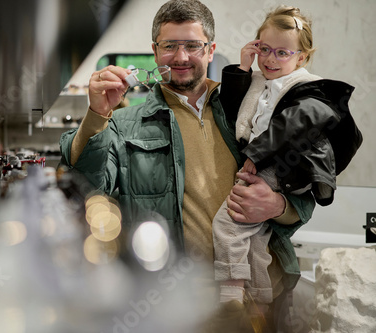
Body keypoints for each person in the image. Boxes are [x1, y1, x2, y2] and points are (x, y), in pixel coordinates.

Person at [60, 0, 316, 331]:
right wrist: (97, 116)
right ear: (155, 52)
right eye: (170, 46)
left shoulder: (247, 111)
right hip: (173, 309)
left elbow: (306, 184)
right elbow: (87, 190)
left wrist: (279, 205)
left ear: (210, 50)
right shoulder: (123, 124)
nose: (181, 57)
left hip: (261, 302)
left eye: (192, 46)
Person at [212, 4, 362, 327]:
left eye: (282, 52)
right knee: (253, 237)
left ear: (302, 57)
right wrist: (242, 66)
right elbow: (235, 112)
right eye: (264, 49)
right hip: (271, 162)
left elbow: (290, 126)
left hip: (282, 165)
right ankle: (259, 301)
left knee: (228, 222)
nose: (270, 59)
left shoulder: (308, 90)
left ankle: (229, 295)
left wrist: (255, 154)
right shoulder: (261, 80)